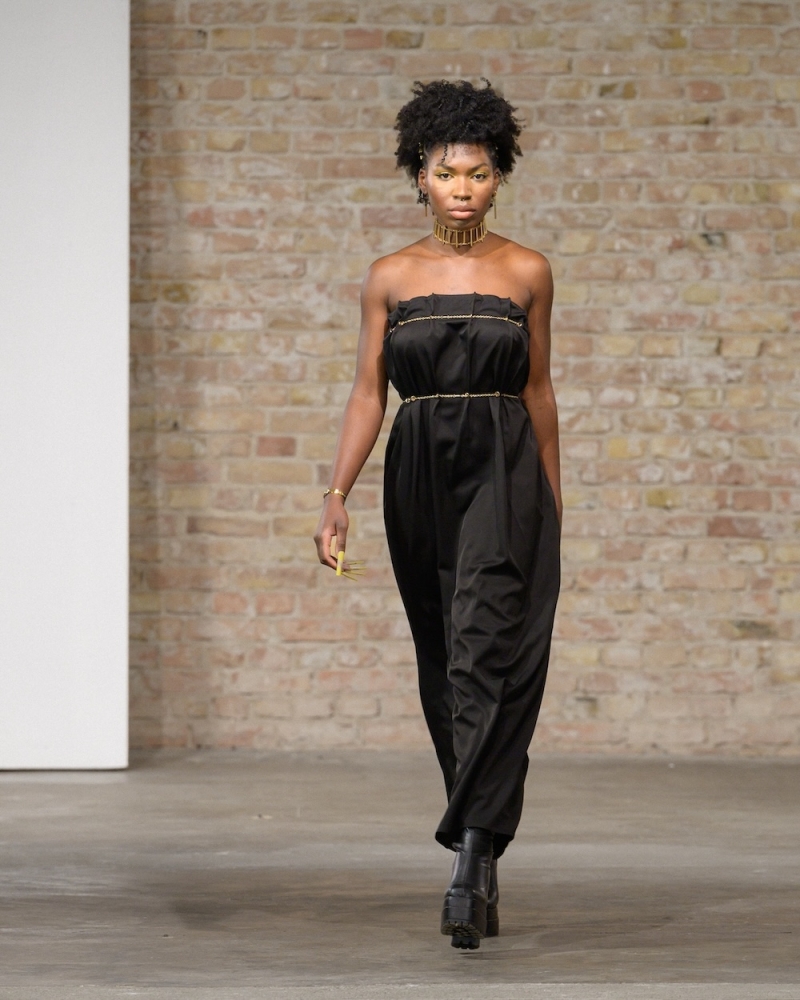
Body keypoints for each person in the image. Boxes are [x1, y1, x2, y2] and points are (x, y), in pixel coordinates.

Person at [313, 79, 561, 950]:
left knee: (487, 647)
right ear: (419, 175)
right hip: (418, 469)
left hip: (503, 467)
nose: (463, 188)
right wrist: (336, 496)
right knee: (446, 659)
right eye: (448, 172)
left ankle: (469, 860)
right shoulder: (390, 277)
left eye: (479, 173)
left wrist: (551, 503)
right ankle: (482, 852)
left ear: (500, 178)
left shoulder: (527, 271)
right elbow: (366, 393)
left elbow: (538, 391)